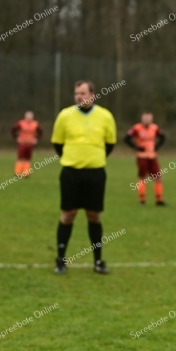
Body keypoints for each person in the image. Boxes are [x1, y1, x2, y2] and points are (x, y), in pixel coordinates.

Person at [51, 81, 117, 275]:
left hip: (95, 173)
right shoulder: (65, 116)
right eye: (76, 93)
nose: (79, 96)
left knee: (94, 215)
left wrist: (93, 158)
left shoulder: (105, 116)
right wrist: (74, 158)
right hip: (71, 173)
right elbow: (58, 144)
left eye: (83, 93)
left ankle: (98, 261)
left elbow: (110, 144)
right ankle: (61, 260)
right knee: (68, 214)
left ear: (92, 94)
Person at [124, 112, 165, 206]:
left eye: (149, 119)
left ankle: (159, 200)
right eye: (145, 118)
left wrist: (157, 146)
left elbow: (163, 137)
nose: (147, 121)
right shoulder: (136, 128)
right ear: (142, 119)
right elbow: (126, 138)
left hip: (152, 156)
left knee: (158, 177)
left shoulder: (155, 127)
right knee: (142, 177)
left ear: (152, 119)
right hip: (142, 156)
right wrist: (136, 147)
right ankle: (142, 200)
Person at [11, 111, 42, 177]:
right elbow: (13, 130)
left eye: (30, 116)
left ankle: (26, 174)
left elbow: (41, 132)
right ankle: (17, 173)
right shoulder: (21, 123)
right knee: (21, 158)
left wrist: (36, 139)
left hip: (30, 144)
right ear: (25, 117)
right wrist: (17, 138)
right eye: (28, 116)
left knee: (28, 158)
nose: (29, 118)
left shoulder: (35, 124)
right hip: (22, 143)